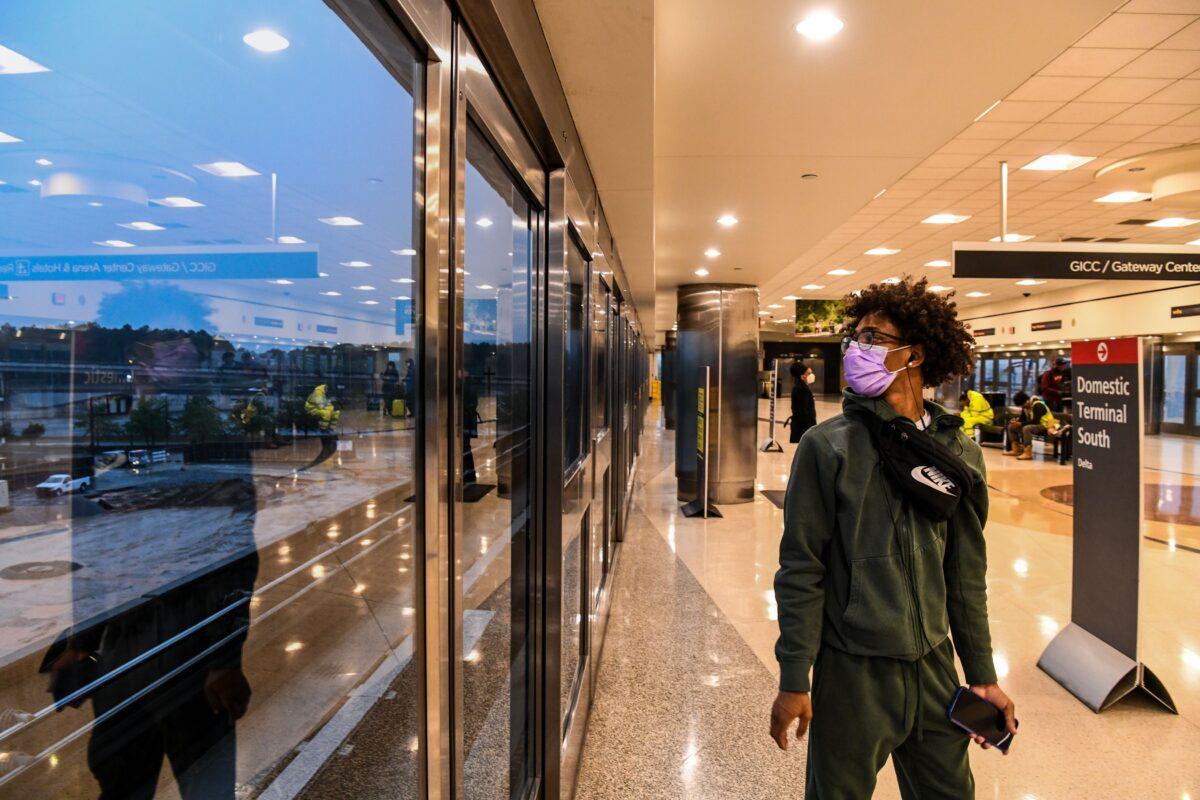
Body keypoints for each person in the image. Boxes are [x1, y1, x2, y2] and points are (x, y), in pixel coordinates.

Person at [770, 277, 1015, 799]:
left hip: (934, 668)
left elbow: (966, 576)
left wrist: (983, 674)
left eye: (874, 338)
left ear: (916, 353)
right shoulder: (829, 447)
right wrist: (795, 676)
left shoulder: (959, 454)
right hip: (852, 673)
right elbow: (802, 568)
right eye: (855, 338)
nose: (858, 349)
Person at [1005, 392, 1057, 461]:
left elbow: (1035, 422)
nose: (1022, 407)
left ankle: (1028, 453)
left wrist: (1020, 424)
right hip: (1036, 426)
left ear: (1027, 400)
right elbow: (1022, 419)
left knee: (1026, 428)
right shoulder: (1026, 407)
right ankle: (1015, 449)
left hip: (1045, 426)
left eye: (1023, 405)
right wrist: (1015, 422)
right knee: (1011, 426)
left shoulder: (1038, 404)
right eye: (1021, 406)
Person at [788, 361, 817, 444]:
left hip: (803, 427)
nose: (812, 376)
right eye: (808, 374)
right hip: (804, 428)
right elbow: (802, 411)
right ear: (802, 376)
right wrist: (809, 430)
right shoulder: (802, 389)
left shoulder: (801, 387)